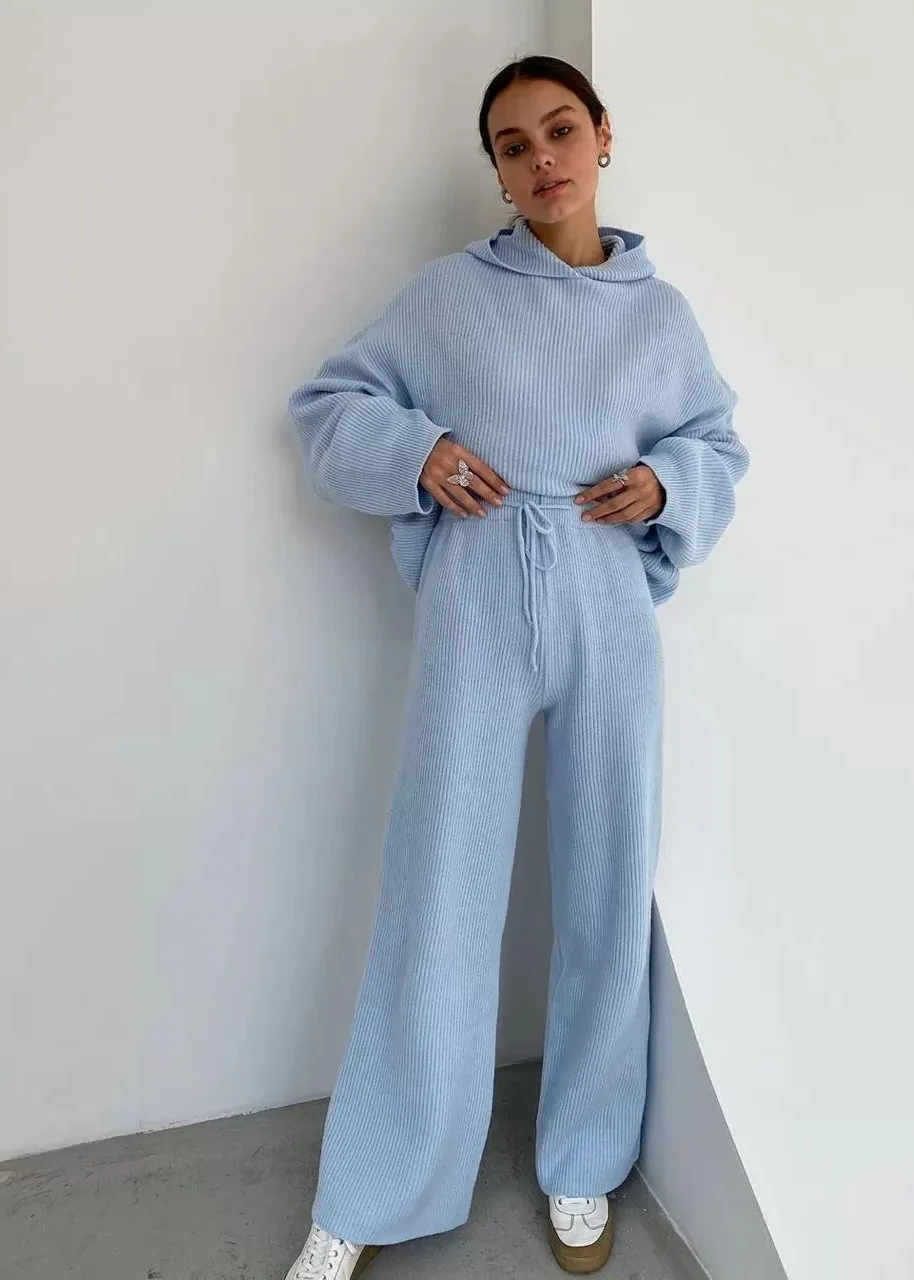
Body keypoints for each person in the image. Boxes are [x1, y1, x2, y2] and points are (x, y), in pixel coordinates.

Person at [282, 55, 749, 1280]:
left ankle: (581, 1157)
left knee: (607, 880)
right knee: (438, 883)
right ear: (494, 169)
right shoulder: (446, 297)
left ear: (602, 137)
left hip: (605, 599)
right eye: (511, 144)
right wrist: (420, 450)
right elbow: (328, 406)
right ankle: (375, 1181)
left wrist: (668, 482)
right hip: (478, 596)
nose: (541, 158)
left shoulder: (659, 315)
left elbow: (716, 441)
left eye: (559, 130)